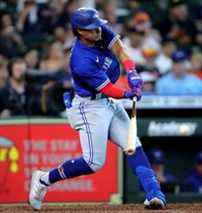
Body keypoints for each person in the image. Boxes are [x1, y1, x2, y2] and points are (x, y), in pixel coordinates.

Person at [28, 7, 166, 210]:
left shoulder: (99, 32)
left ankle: (154, 193)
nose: (98, 31)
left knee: (132, 144)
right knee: (93, 162)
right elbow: (109, 89)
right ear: (80, 31)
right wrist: (129, 93)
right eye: (91, 29)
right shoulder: (80, 61)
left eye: (97, 27)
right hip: (89, 107)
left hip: (107, 101)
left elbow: (119, 48)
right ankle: (43, 180)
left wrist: (132, 71)